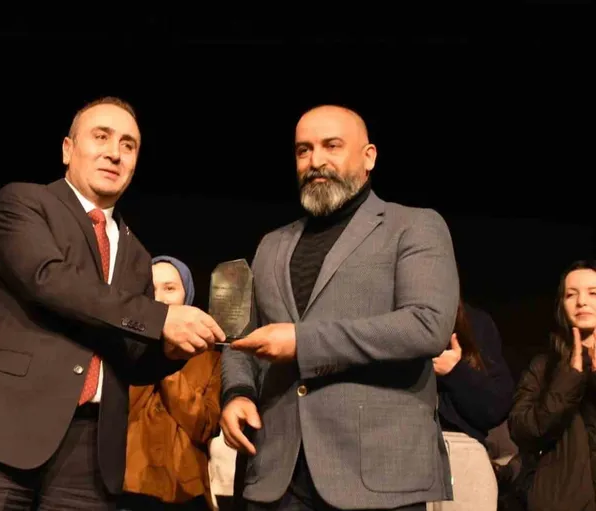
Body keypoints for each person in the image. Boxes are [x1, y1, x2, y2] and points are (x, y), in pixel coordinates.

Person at [0, 96, 225, 510]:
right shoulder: (23, 203)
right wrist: (161, 317)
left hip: (89, 456)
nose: (114, 152)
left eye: (128, 145)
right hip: (3, 435)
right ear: (67, 149)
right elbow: (49, 280)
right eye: (101, 137)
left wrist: (171, 351)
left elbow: (132, 358)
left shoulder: (137, 255)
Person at [221, 104, 459, 510]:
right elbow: (241, 337)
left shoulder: (415, 226)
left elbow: (427, 325)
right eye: (303, 150)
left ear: (369, 157)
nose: (316, 160)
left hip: (378, 476)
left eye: (331, 146)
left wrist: (303, 342)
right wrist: (237, 393)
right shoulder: (271, 245)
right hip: (278, 475)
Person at [120, 256, 222, 510]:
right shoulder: (122, 350)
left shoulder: (210, 358)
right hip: (126, 488)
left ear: (187, 295)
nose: (160, 299)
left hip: (186, 492)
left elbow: (205, 427)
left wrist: (168, 362)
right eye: (151, 289)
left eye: (170, 288)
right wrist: (150, 352)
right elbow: (118, 415)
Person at [508, 260, 596, 511]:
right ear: (561, 305)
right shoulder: (544, 366)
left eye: (593, 293)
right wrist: (570, 377)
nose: (581, 302)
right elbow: (522, 429)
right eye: (571, 294)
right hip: (559, 501)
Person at [429, 299, 515, 510]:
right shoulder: (390, 319)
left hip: (461, 452)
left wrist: (456, 372)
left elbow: (497, 406)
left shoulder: (475, 322)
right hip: (399, 450)